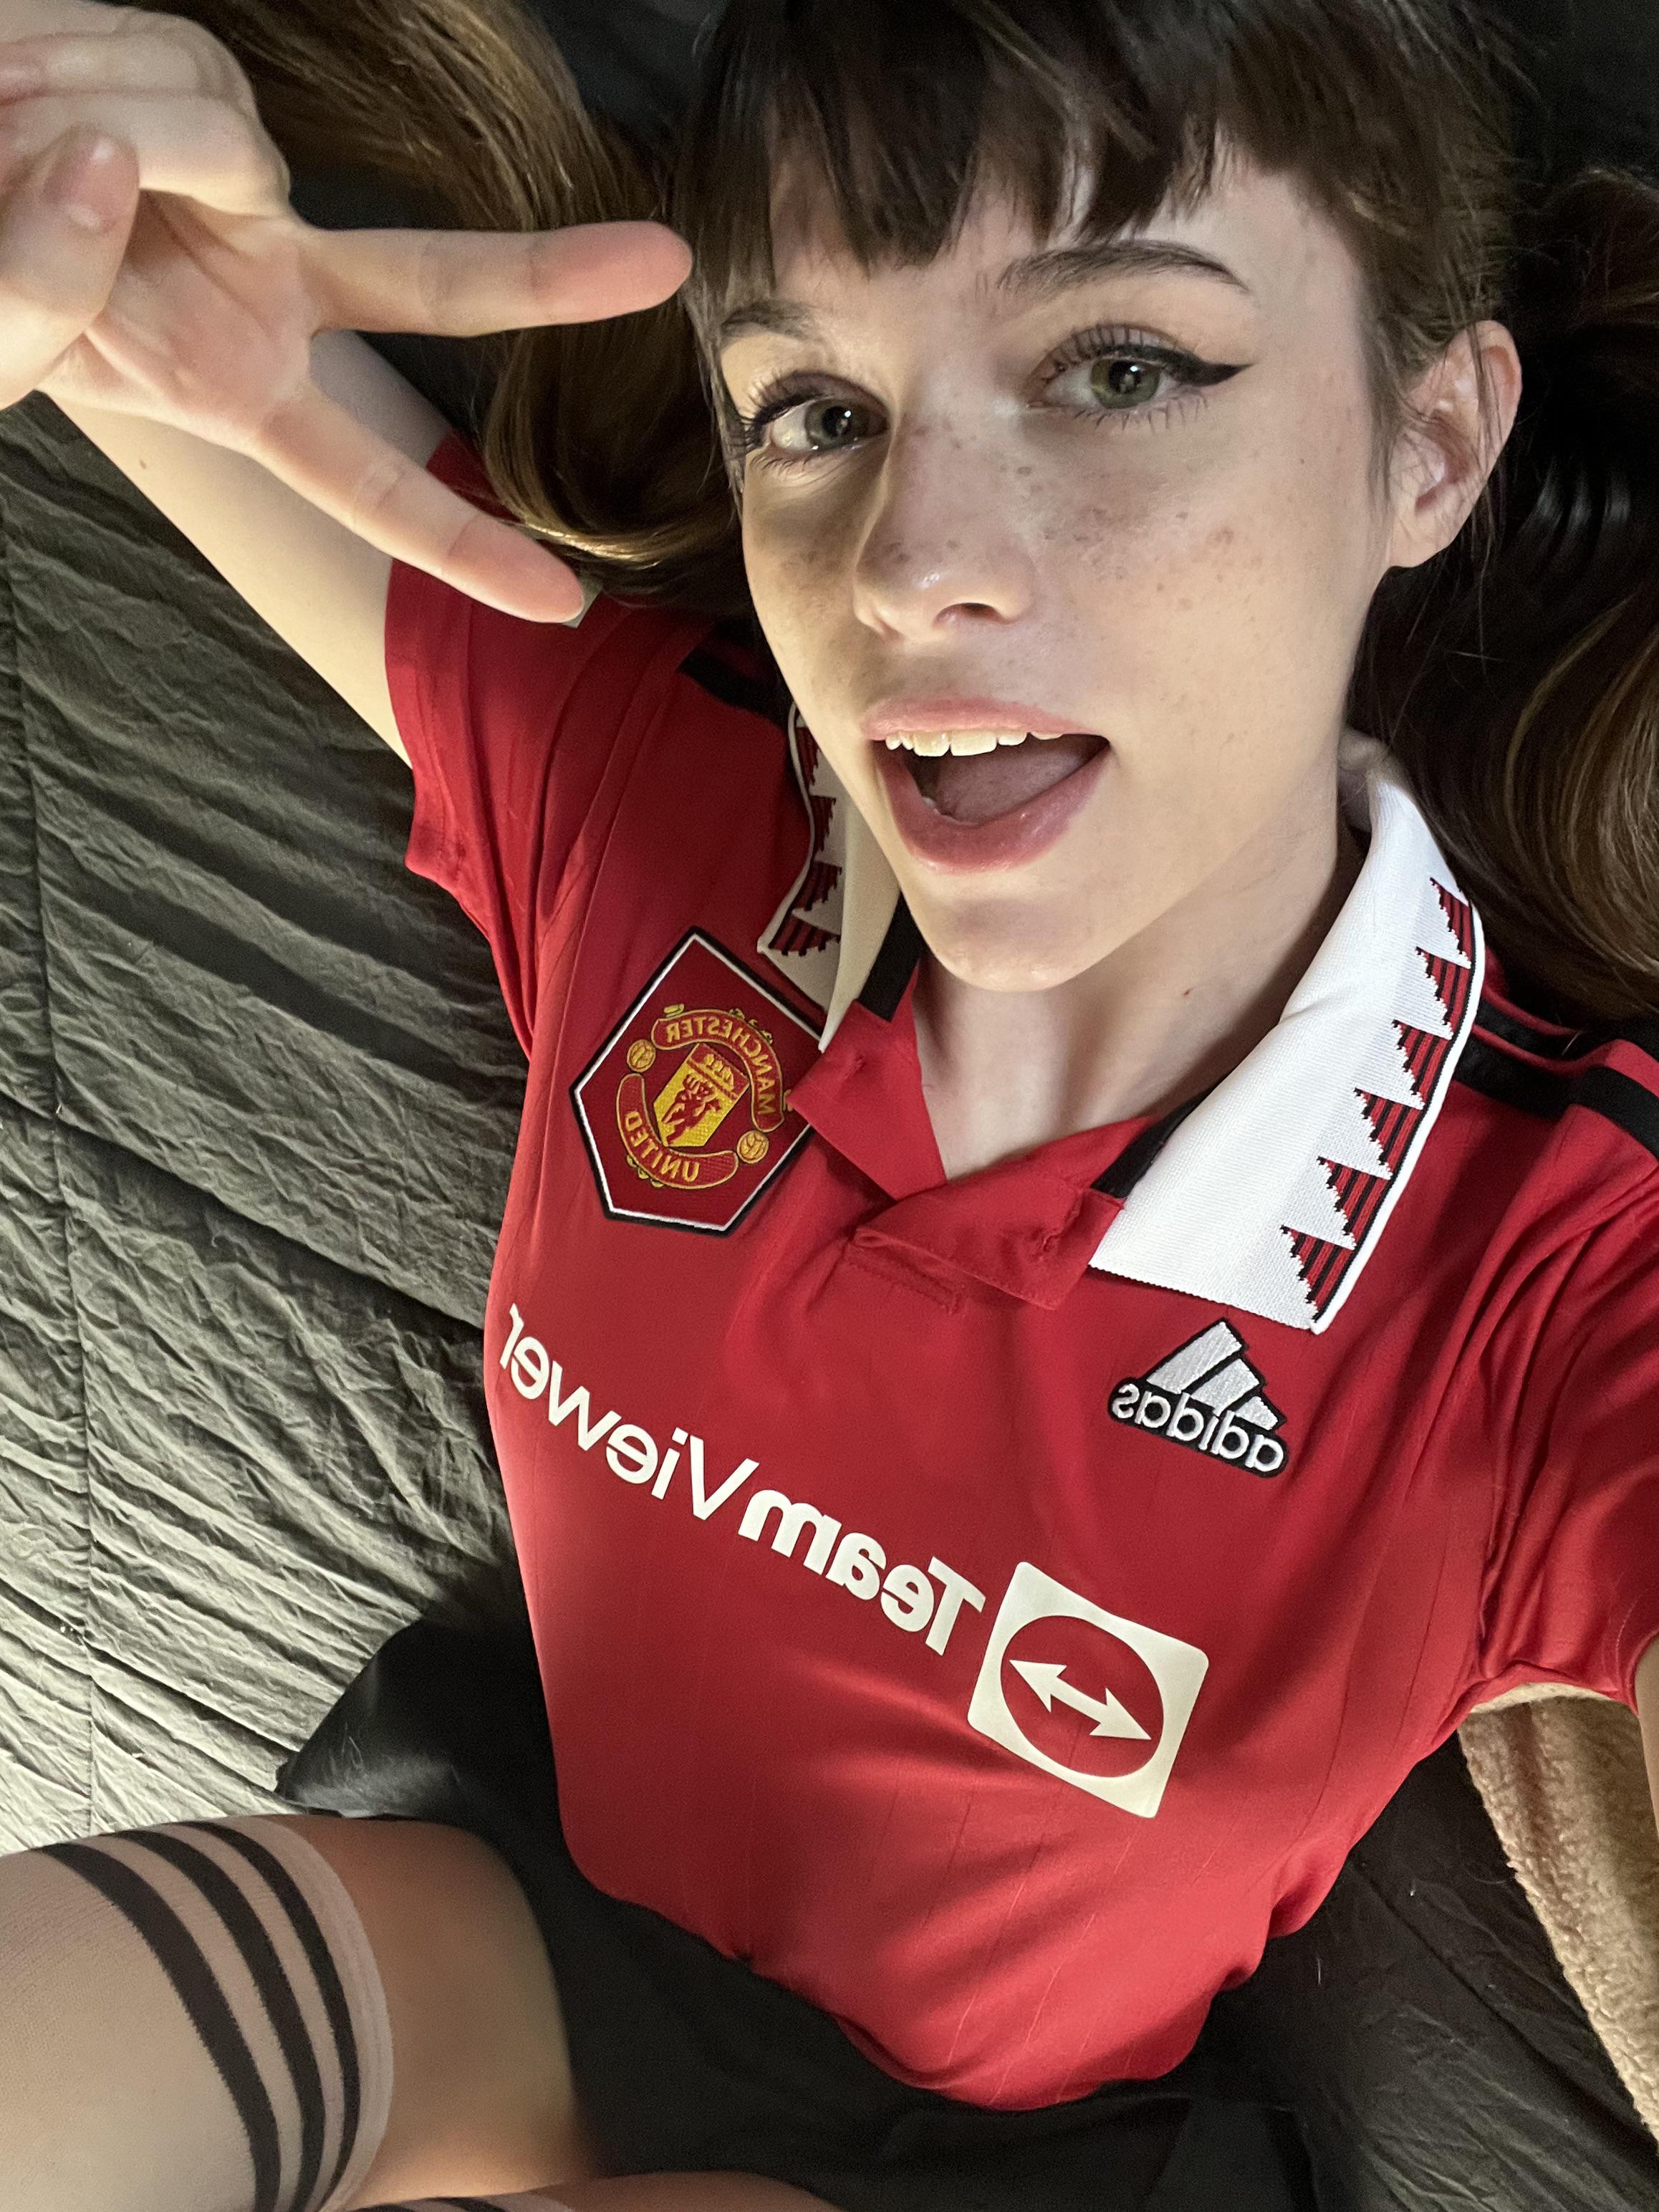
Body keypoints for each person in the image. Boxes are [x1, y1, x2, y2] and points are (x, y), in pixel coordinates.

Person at [1, 1, 1658, 2208]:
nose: (900, 564)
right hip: (513, 1925)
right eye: (817, 409)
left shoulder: (1557, 1264)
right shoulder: (659, 797)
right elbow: (165, 350)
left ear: (1427, 444)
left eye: (1119, 368)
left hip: (1012, 2166)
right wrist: (74, 221)